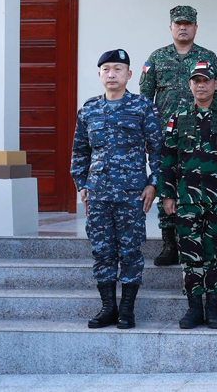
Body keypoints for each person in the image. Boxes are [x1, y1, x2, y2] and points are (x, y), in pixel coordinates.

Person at [71, 48, 162, 330]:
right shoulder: (89, 110)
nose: (112, 74)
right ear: (100, 75)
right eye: (107, 69)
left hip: (131, 194)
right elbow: (79, 152)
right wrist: (81, 184)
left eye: (118, 69)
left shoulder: (143, 107)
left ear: (129, 75)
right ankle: (108, 307)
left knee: (131, 251)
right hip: (98, 194)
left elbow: (158, 151)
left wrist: (153, 184)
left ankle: (127, 310)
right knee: (102, 251)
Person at [159, 61, 217, 330]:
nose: (200, 85)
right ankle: (194, 307)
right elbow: (168, 157)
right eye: (196, 80)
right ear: (189, 85)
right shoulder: (179, 117)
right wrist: (167, 194)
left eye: (206, 80)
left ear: (216, 85)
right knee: (190, 254)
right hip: (186, 201)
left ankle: (214, 307)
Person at [140, 5, 217, 267]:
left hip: (200, 136)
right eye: (179, 24)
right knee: (165, 183)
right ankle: (169, 243)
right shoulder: (156, 58)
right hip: (166, 136)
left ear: (196, 27)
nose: (183, 27)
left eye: (188, 23)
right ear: (171, 28)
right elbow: (145, 97)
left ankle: (198, 236)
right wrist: (148, 131)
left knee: (198, 184)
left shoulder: (208, 57)